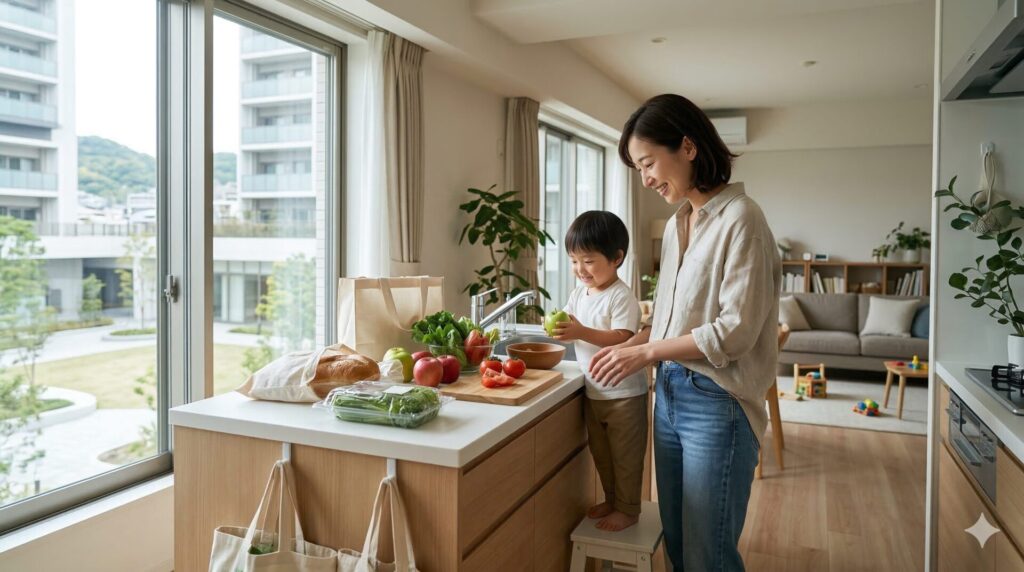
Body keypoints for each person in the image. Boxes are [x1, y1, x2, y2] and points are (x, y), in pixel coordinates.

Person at [589, 94, 781, 571]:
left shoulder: (743, 219)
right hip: (671, 393)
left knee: (706, 556)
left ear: (689, 147)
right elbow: (671, 320)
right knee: (676, 542)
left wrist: (647, 353)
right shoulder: (680, 222)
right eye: (638, 169)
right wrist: (631, 344)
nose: (646, 179)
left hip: (718, 401)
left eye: (648, 163)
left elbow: (734, 332)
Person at [550, 210, 649, 532]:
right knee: (602, 454)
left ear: (616, 258)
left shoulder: (621, 296)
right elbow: (570, 322)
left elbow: (623, 337)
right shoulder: (579, 293)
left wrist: (580, 332)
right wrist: (561, 328)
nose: (580, 269)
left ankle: (629, 509)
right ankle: (612, 499)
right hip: (595, 391)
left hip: (624, 394)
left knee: (625, 456)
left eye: (589, 261)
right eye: (574, 261)